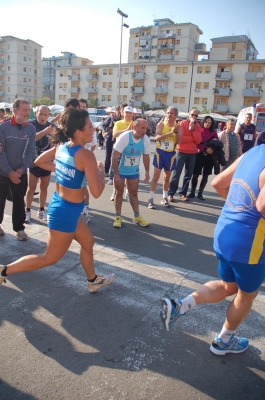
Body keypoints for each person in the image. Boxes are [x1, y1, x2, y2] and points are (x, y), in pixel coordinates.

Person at [161, 144, 265, 355]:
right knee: (246, 296)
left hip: (225, 230)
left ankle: (180, 305)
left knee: (228, 287)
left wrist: (238, 211)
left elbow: (218, 183)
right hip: (249, 243)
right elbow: (262, 206)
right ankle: (224, 340)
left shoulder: (255, 151)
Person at [0, 108, 115, 292]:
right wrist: (100, 171)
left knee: (88, 242)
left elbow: (39, 161)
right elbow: (96, 192)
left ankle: (92, 280)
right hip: (65, 212)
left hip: (67, 207)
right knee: (49, 258)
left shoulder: (62, 147)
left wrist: (64, 169)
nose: (94, 129)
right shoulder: (86, 156)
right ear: (78, 132)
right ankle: (4, 271)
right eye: (90, 126)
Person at [0, 99, 36, 240]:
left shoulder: (31, 129)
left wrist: (21, 170)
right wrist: (9, 171)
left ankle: (19, 229)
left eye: (28, 110)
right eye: (24, 110)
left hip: (20, 173)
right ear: (15, 111)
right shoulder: (3, 127)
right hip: (2, 172)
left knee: (19, 201)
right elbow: (0, 153)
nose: (28, 113)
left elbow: (30, 152)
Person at [112, 118, 150, 228]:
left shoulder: (146, 139)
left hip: (133, 170)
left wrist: (147, 171)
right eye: (142, 128)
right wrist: (115, 174)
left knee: (133, 193)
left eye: (146, 128)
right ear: (135, 127)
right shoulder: (125, 137)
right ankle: (118, 216)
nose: (144, 131)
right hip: (120, 170)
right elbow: (114, 156)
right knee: (119, 193)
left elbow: (146, 156)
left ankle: (137, 216)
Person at [148, 107, 182, 209]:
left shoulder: (178, 127)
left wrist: (176, 132)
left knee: (167, 178)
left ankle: (164, 198)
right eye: (167, 113)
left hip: (171, 154)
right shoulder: (161, 124)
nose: (169, 115)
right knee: (156, 176)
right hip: (160, 153)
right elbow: (156, 138)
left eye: (171, 113)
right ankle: (151, 198)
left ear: (176, 115)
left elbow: (179, 141)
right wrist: (170, 133)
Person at [25, 106, 53, 223]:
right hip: (33, 161)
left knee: (44, 187)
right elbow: (30, 140)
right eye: (41, 114)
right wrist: (44, 132)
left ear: (48, 115)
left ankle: (41, 209)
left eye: (45, 115)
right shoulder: (31, 125)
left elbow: (57, 143)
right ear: (36, 113)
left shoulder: (53, 127)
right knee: (31, 187)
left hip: (47, 162)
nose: (43, 117)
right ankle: (27, 210)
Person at [168, 109, 202, 202]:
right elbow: (180, 138)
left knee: (188, 175)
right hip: (181, 151)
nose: (194, 117)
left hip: (192, 153)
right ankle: (171, 193)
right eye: (192, 115)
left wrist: (194, 130)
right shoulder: (182, 124)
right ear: (189, 115)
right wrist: (192, 138)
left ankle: (183, 193)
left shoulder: (198, 127)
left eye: (196, 115)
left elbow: (198, 141)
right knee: (176, 173)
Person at [187, 115, 218, 200]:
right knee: (195, 174)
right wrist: (204, 149)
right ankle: (192, 192)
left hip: (209, 157)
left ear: (212, 123)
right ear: (203, 121)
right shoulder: (199, 130)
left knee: (205, 175)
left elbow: (217, 143)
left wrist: (211, 149)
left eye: (209, 122)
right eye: (206, 121)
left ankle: (200, 193)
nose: (207, 124)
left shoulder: (214, 132)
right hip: (199, 155)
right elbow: (196, 143)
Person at [79, 98, 97, 223]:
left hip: (84, 157)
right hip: (73, 158)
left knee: (83, 186)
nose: (82, 108)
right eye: (80, 106)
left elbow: (94, 142)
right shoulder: (72, 121)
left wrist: (87, 153)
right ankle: (77, 211)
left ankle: (85, 211)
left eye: (84, 106)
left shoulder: (89, 122)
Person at [110, 105, 134, 201]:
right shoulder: (118, 123)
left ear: (132, 114)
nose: (128, 114)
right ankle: (114, 192)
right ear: (123, 113)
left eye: (130, 113)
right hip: (118, 150)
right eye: (126, 112)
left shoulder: (135, 123)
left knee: (129, 172)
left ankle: (128, 192)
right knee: (116, 172)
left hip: (131, 151)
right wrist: (127, 130)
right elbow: (114, 134)